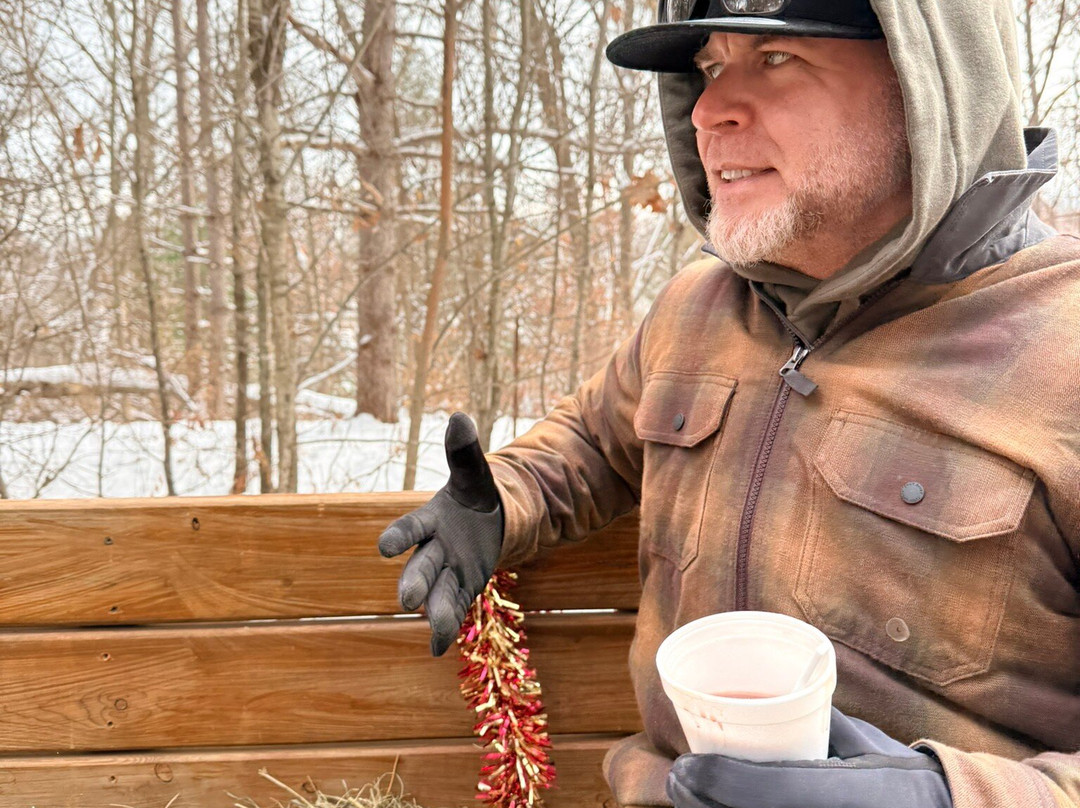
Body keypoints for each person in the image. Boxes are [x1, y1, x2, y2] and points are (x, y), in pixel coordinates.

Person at [379, 0, 1080, 805]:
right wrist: (505, 501)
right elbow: (595, 440)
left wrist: (947, 796)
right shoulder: (697, 310)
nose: (709, 108)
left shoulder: (1063, 345)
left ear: (929, 89)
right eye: (710, 67)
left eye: (778, 60)